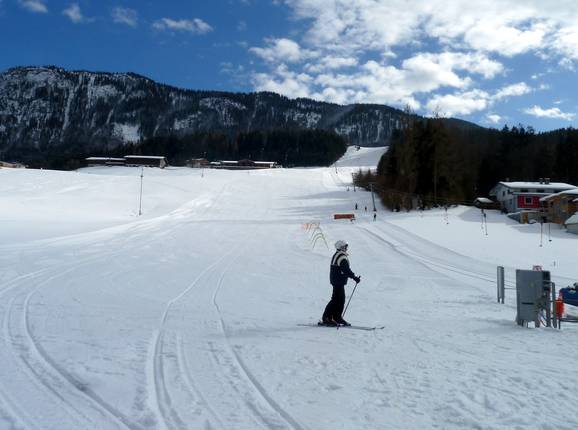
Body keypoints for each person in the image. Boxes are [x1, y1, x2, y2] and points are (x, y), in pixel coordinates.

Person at [321, 240, 361, 326]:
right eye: (345, 247)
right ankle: (327, 318)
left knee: (340, 300)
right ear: (341, 247)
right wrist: (354, 277)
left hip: (337, 280)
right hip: (338, 281)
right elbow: (346, 270)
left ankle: (336, 317)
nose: (346, 248)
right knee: (336, 300)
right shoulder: (341, 257)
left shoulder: (338, 255)